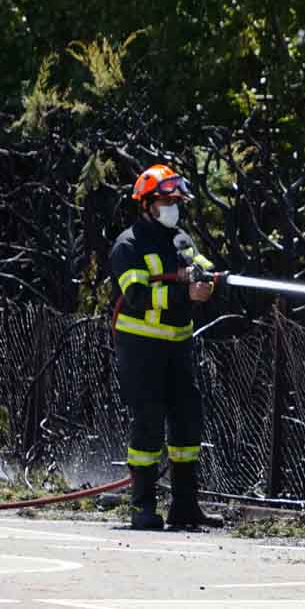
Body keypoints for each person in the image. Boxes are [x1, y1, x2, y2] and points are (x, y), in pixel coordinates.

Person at [108, 164, 226, 530]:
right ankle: (143, 507)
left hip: (178, 347)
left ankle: (185, 507)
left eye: (177, 201)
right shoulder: (129, 245)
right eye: (166, 200)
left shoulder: (181, 240)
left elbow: (204, 266)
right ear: (146, 204)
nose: (173, 207)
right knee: (148, 426)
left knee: (188, 424)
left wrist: (211, 279)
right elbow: (138, 295)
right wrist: (183, 292)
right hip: (142, 349)